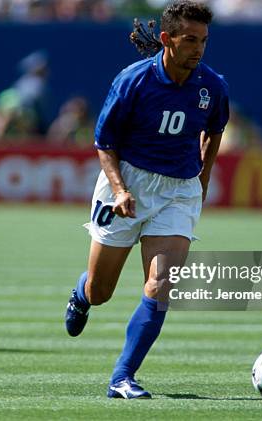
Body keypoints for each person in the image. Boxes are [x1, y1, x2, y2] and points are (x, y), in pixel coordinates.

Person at [63, 0, 229, 399]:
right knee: (102, 291)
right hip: (128, 185)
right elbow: (104, 143)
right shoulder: (133, 81)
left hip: (178, 191)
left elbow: (214, 130)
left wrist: (202, 180)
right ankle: (82, 294)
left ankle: (122, 377)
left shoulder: (212, 86)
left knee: (161, 284)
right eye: (190, 40)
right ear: (168, 39)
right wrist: (120, 190)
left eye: (204, 40)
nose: (199, 49)